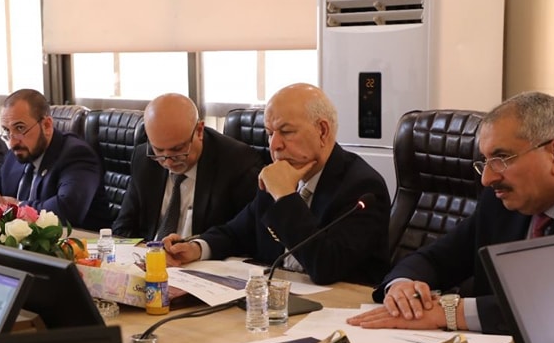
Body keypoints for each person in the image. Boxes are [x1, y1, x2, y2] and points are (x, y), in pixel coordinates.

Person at [349, 91, 554, 333]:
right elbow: (435, 259)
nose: (487, 179)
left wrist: (450, 312)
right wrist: (402, 287)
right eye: (485, 161)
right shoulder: (499, 201)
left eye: (502, 158)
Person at [163, 83, 390, 286]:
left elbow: (325, 266)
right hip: (280, 300)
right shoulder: (279, 177)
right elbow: (235, 233)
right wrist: (195, 248)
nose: (274, 145)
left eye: (286, 132)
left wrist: (285, 196)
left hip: (342, 308)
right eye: (270, 134)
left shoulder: (363, 188)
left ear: (322, 131)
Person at [112, 93, 263, 240]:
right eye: (158, 150)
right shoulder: (143, 158)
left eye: (178, 149)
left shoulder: (237, 163)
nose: (168, 162)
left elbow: (244, 238)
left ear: (199, 131)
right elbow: (122, 228)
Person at [0, 88, 110, 229]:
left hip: (79, 240)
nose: (12, 143)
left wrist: (17, 207)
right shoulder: (16, 155)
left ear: (47, 125)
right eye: (7, 131)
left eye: (20, 128)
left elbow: (66, 210)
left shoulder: (76, 154)